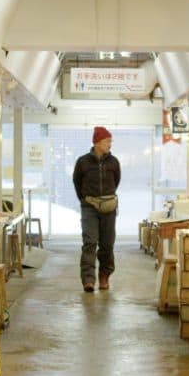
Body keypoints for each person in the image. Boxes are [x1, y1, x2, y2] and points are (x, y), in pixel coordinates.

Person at [73, 125, 121, 293]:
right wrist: (85, 200)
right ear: (97, 142)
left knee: (107, 244)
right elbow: (77, 182)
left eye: (110, 141)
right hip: (89, 207)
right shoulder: (83, 161)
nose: (110, 144)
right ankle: (88, 280)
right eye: (107, 141)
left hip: (109, 207)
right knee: (90, 242)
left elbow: (116, 181)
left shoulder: (114, 162)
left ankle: (104, 275)